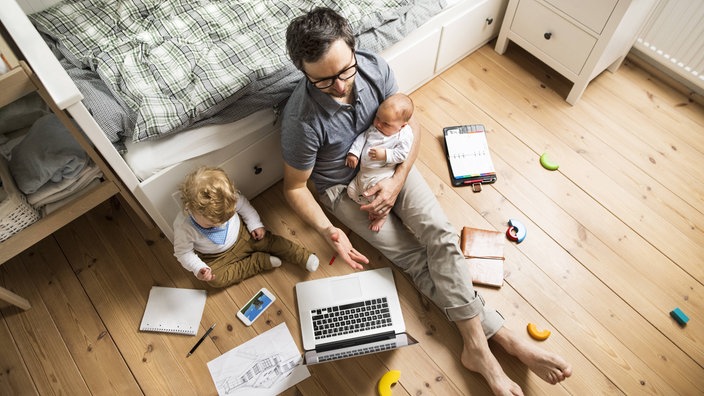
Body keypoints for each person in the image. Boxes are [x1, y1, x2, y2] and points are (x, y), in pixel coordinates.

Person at [280, 7, 571, 395]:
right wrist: (329, 228)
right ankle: (498, 339)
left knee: (440, 235)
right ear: (303, 73)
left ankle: (478, 346)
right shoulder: (300, 120)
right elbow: (294, 188)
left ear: (353, 50)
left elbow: (410, 124)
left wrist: (397, 184)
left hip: (388, 162)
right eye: (323, 81)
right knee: (414, 258)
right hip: (344, 188)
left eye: (344, 71)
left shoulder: (373, 68)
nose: (339, 86)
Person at [173, 166, 319, 287]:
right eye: (212, 225)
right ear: (190, 208)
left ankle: (303, 256)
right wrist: (199, 268)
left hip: (244, 235)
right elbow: (183, 253)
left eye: (226, 219)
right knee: (216, 280)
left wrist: (255, 225)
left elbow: (245, 208)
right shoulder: (183, 226)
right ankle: (258, 262)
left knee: (270, 241)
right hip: (216, 257)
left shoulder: (229, 198)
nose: (222, 225)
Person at [345, 93, 414, 232]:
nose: (378, 124)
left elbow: (402, 154)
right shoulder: (375, 128)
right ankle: (370, 204)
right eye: (377, 117)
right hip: (363, 173)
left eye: (386, 123)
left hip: (380, 175)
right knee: (351, 191)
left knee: (377, 197)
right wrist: (354, 153)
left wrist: (385, 154)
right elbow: (362, 137)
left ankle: (382, 215)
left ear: (402, 125)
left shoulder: (404, 135)